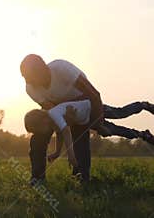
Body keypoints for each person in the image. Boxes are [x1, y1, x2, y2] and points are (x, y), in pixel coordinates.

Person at [20, 54, 109, 182]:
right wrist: (58, 149)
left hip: (81, 101)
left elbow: (94, 94)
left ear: (42, 70)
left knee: (79, 134)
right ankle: (37, 178)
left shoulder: (62, 68)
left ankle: (81, 176)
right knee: (39, 135)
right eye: (25, 78)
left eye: (29, 77)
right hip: (57, 107)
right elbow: (53, 113)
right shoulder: (31, 88)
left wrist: (99, 124)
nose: (28, 82)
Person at [24, 100, 154, 167]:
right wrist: (57, 153)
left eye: (38, 130)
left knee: (120, 113)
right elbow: (60, 135)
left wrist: (71, 155)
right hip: (90, 120)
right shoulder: (53, 122)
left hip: (95, 108)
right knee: (116, 131)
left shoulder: (54, 113)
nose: (41, 133)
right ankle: (143, 135)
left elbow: (66, 131)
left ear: (41, 121)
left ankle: (144, 105)